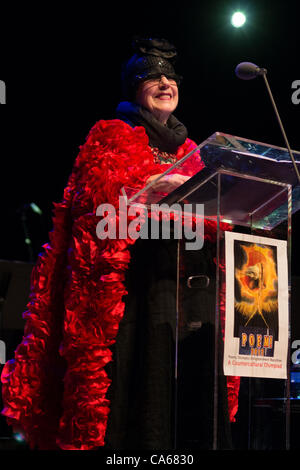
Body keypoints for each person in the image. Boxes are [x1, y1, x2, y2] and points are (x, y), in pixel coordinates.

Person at [1, 37, 240, 450]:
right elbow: (92, 209)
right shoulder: (111, 135)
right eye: (153, 76)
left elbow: (215, 214)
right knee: (140, 400)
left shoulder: (193, 151)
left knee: (192, 407)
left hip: (190, 296)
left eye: (171, 77)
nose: (166, 83)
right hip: (134, 299)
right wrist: (146, 190)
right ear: (134, 87)